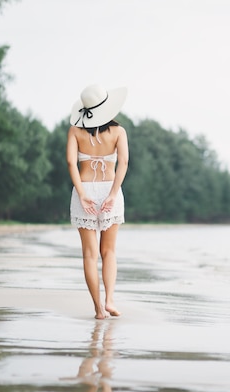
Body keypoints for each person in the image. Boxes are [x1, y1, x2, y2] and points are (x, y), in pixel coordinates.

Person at [67, 84, 128, 319]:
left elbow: (72, 164)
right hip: (110, 189)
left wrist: (82, 194)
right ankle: (110, 299)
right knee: (109, 251)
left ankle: (98, 309)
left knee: (89, 254)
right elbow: (123, 163)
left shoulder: (75, 131)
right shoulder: (118, 132)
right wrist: (113, 193)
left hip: (85, 188)